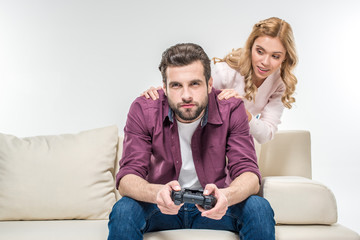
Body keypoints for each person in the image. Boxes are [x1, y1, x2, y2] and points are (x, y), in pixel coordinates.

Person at [108, 43, 275, 240]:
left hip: (215, 204)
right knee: (123, 210)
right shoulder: (143, 109)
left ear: (210, 84)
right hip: (161, 205)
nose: (186, 95)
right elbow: (127, 177)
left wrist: (226, 196)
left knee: (259, 207)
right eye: (176, 85)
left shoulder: (231, 109)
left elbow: (248, 173)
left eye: (195, 84)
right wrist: (157, 193)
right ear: (165, 87)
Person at [142, 17, 298, 144]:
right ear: (250, 47)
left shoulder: (279, 84)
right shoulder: (226, 73)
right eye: (260, 51)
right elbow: (190, 96)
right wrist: (160, 94)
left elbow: (265, 135)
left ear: (285, 57)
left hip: (236, 143)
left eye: (275, 56)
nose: (265, 62)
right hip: (205, 139)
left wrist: (242, 112)